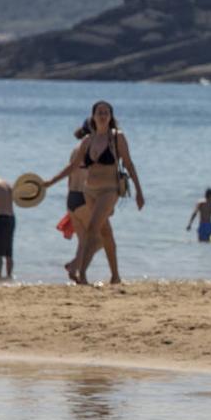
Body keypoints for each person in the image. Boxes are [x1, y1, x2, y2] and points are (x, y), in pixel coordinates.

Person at [67, 102, 144, 285]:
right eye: (99, 112)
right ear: (93, 116)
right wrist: (48, 183)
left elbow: (129, 163)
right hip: (88, 191)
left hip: (110, 190)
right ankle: (115, 276)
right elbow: (72, 167)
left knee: (92, 229)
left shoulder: (117, 137)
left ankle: (82, 274)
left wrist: (139, 192)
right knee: (106, 232)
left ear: (111, 116)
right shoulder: (88, 141)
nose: (103, 115)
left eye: (106, 112)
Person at [44, 146, 120, 284]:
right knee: (101, 240)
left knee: (83, 242)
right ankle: (75, 266)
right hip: (85, 196)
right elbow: (97, 178)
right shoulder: (95, 147)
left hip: (72, 197)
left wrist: (70, 207)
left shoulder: (75, 150)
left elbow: (71, 175)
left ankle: (76, 270)